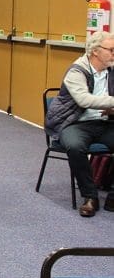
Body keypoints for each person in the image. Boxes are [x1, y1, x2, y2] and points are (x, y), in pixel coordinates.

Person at [46, 31, 114, 217]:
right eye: (111, 50)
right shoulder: (76, 70)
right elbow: (84, 100)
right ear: (95, 52)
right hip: (75, 122)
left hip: (104, 122)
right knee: (75, 147)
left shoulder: (111, 69)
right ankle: (90, 197)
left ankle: (112, 196)